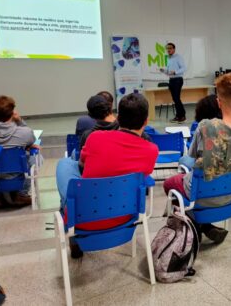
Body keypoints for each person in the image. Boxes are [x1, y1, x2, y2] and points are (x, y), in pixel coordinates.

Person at [56, 93, 159, 258]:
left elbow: (82, 164)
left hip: (83, 218)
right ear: (146, 121)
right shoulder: (152, 150)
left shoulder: (95, 137)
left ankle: (68, 214)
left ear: (118, 117)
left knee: (65, 164)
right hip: (126, 217)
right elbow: (142, 175)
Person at [163, 74, 231, 244]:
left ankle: (192, 225)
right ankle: (204, 225)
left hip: (200, 194)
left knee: (169, 183)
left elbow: (191, 157)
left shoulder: (206, 127)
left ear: (218, 101)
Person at [0, 95, 38, 207]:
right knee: (32, 157)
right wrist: (20, 121)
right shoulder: (24, 132)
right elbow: (31, 139)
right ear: (12, 112)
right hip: (16, 176)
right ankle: (22, 194)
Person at [160, 43, 186, 123]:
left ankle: (181, 116)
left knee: (176, 98)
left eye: (170, 48)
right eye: (167, 48)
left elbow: (184, 68)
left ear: (174, 49)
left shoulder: (178, 57)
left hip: (178, 79)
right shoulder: (169, 59)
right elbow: (169, 72)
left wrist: (175, 72)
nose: (168, 50)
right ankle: (180, 115)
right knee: (175, 99)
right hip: (171, 80)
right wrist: (164, 71)